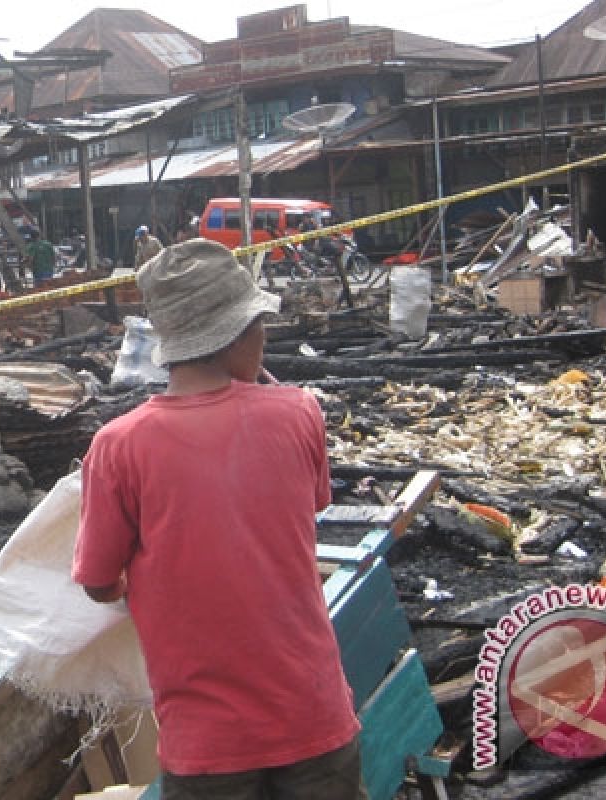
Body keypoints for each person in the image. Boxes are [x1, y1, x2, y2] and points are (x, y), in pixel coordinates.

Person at [73, 238, 364, 800]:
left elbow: (98, 583)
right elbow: (308, 506)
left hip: (207, 746)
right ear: (239, 335)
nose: (265, 337)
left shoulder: (118, 447)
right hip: (314, 720)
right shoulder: (300, 412)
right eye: (260, 326)